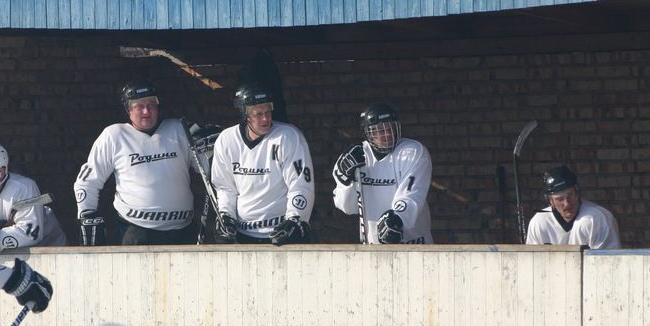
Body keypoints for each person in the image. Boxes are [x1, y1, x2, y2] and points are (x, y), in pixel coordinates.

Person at [73, 79, 198, 246]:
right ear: (128, 109)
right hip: (137, 233)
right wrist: (86, 215)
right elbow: (87, 181)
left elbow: (210, 171)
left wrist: (212, 150)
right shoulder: (114, 135)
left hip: (183, 232)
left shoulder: (180, 129)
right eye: (139, 106)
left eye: (151, 104)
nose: (146, 111)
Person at [210, 82, 315, 245]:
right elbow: (225, 187)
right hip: (243, 235)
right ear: (245, 115)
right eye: (258, 114)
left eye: (268, 112)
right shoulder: (227, 140)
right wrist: (226, 216)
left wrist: (295, 220)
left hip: (281, 235)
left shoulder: (288, 136)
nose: (266, 118)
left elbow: (300, 185)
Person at [332, 104, 433, 245]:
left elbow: (411, 195)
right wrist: (345, 182)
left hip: (414, 244)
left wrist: (397, 219)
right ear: (368, 133)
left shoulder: (412, 152)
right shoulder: (356, 156)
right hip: (374, 248)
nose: (387, 135)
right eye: (379, 130)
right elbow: (348, 208)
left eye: (390, 128)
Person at [526, 165, 621, 249]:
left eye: (570, 195)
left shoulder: (598, 218)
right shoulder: (539, 223)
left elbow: (607, 263)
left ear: (577, 192)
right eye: (560, 199)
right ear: (551, 201)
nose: (567, 203)